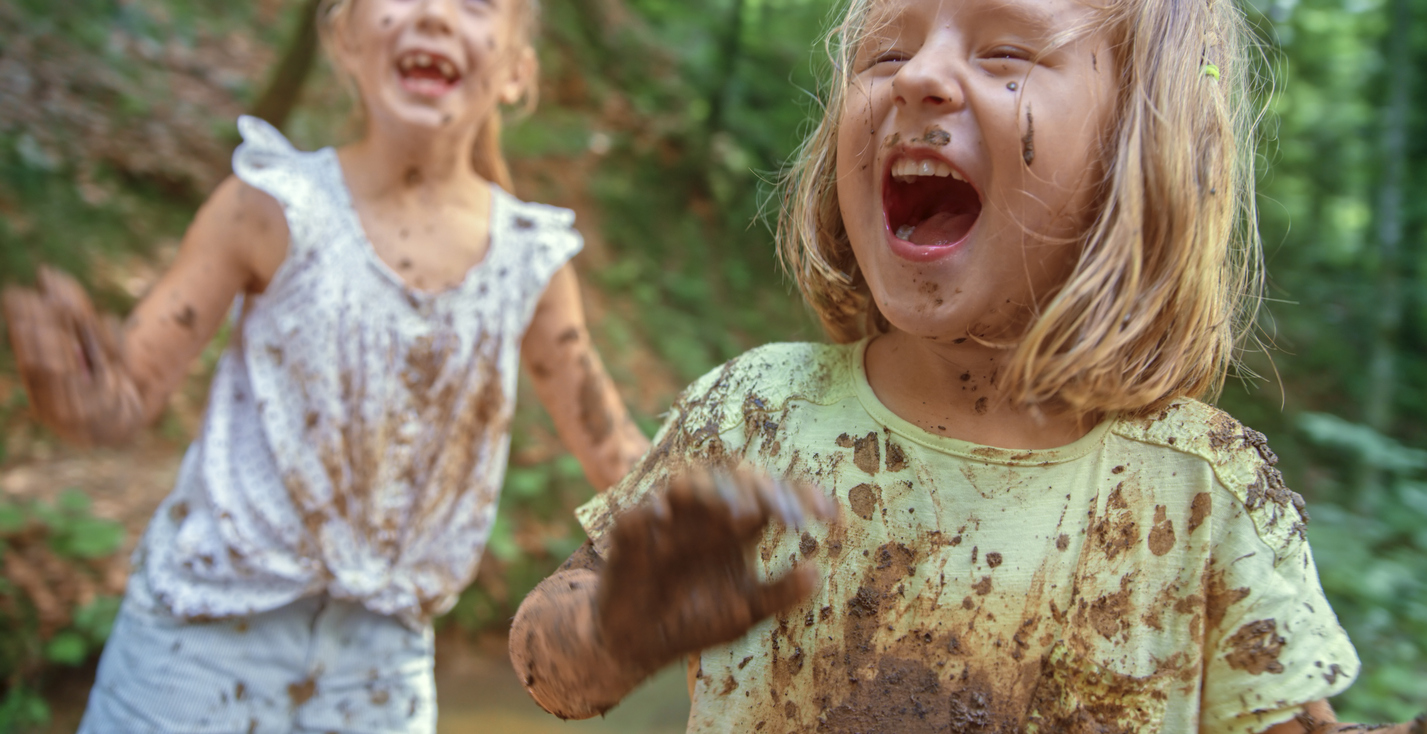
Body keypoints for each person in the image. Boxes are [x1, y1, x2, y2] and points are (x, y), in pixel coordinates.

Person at [504, 0, 1427, 731]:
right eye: (881, 54)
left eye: (1004, 54)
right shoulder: (756, 415)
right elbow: (552, 669)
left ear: (1136, 147)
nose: (919, 78)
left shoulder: (1202, 490)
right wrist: (613, 635)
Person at [0, 0, 649, 731]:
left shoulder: (528, 261)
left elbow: (616, 456)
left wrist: (726, 519)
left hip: (379, 675)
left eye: (474, 3)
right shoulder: (269, 206)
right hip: (193, 646)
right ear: (344, 36)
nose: (433, 14)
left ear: (516, 70)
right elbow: (126, 397)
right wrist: (74, 393)